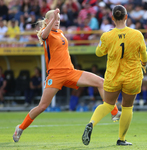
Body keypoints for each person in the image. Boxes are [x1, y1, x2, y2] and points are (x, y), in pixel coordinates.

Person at [12, 8, 120, 142]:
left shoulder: (60, 33)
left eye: (58, 19)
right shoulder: (46, 34)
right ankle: (20, 128)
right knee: (42, 106)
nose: (57, 21)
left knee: (101, 82)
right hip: (55, 75)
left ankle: (115, 113)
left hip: (70, 72)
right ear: (47, 21)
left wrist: (54, 18)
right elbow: (44, 34)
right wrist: (52, 20)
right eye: (53, 19)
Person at [82, 5, 147, 146]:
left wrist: (104, 41)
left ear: (112, 18)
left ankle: (91, 123)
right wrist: (144, 63)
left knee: (107, 104)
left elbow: (98, 53)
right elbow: (145, 56)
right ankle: (121, 139)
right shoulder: (137, 34)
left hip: (113, 75)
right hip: (132, 75)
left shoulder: (107, 35)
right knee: (127, 107)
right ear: (126, 17)